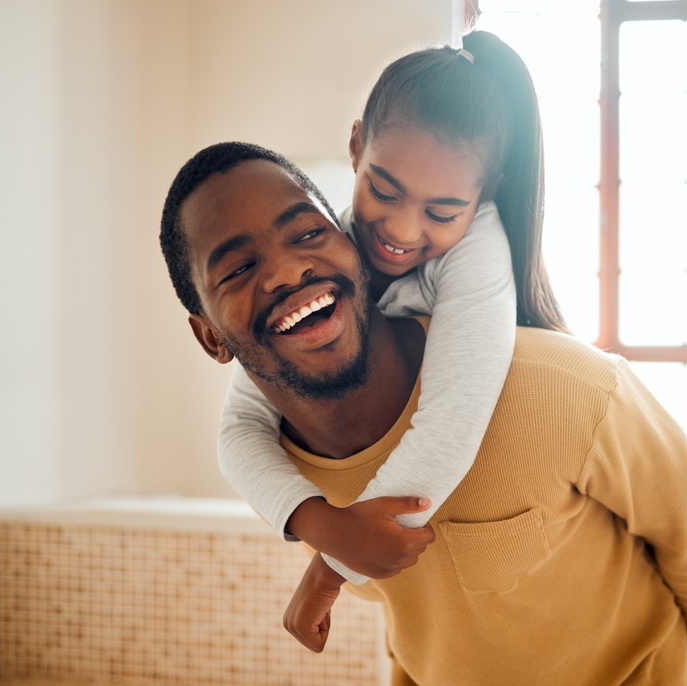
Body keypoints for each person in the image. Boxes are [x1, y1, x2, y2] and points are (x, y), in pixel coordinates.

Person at [160, 143, 687, 685]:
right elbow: (426, 618)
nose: (287, 272)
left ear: (353, 242)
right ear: (211, 337)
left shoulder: (562, 386)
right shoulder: (283, 478)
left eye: (309, 232)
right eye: (237, 269)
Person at [212, 32, 564, 585]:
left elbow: (449, 425)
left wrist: (327, 578)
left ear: (484, 196)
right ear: (356, 147)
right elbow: (239, 429)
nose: (400, 230)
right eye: (384, 190)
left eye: (443, 213)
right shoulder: (323, 249)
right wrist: (322, 526)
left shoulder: (478, 247)